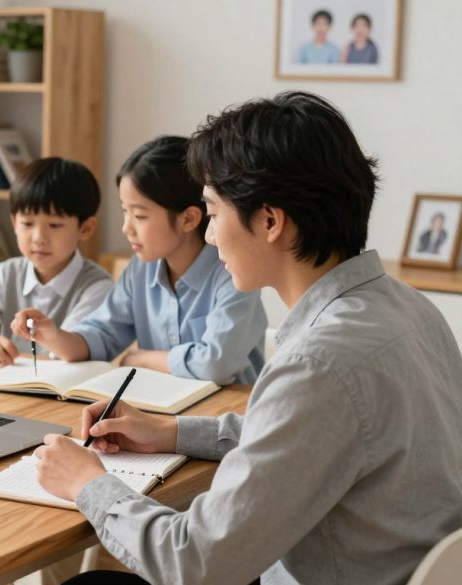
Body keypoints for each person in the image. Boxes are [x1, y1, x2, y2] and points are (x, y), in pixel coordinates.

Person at [34, 91, 462, 585]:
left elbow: (194, 563)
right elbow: (311, 435)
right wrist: (170, 432)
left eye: (213, 213)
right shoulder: (408, 307)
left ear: (270, 221)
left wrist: (89, 483)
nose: (211, 236)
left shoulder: (318, 365)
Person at [12, 136, 266, 385]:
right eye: (125, 211)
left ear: (188, 219)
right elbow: (102, 336)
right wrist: (53, 335)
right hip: (158, 411)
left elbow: (215, 364)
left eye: (140, 215)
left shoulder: (233, 273)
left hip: (228, 417)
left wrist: (142, 359)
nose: (126, 228)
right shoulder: (140, 269)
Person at [0, 157, 112, 365]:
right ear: (14, 223)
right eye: (27, 223)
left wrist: (49, 334)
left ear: (86, 228)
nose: (38, 238)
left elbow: (73, 352)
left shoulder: (97, 286)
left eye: (54, 225)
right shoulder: (6, 274)